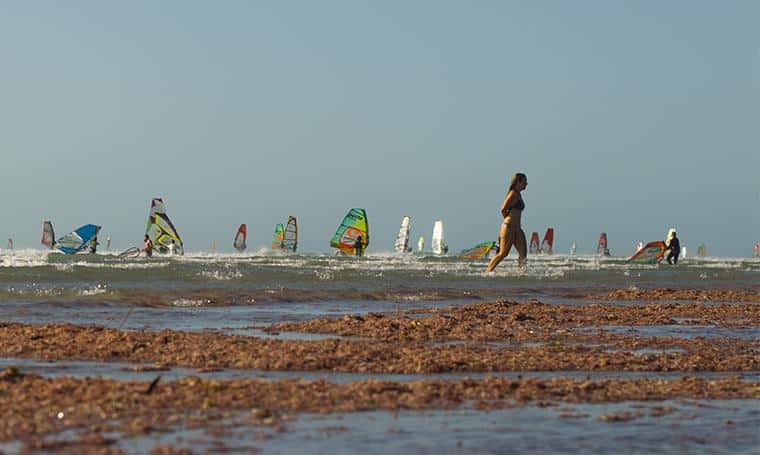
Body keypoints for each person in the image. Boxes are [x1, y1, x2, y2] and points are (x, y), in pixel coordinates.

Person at [486, 173, 528, 272]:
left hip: (517, 229)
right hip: (509, 227)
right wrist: (508, 221)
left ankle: (522, 273)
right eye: (524, 181)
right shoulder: (513, 194)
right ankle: (487, 272)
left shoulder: (518, 194)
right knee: (503, 253)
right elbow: (503, 209)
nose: (526, 184)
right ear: (518, 182)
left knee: (523, 254)